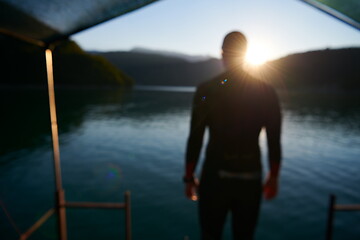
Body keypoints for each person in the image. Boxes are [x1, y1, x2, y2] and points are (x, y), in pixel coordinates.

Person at [183, 31, 282, 240]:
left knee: (210, 235)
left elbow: (195, 138)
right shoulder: (267, 92)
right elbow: (274, 140)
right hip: (250, 179)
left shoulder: (207, 89)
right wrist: (273, 177)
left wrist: (189, 177)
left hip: (214, 179)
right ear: (246, 54)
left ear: (222, 54)